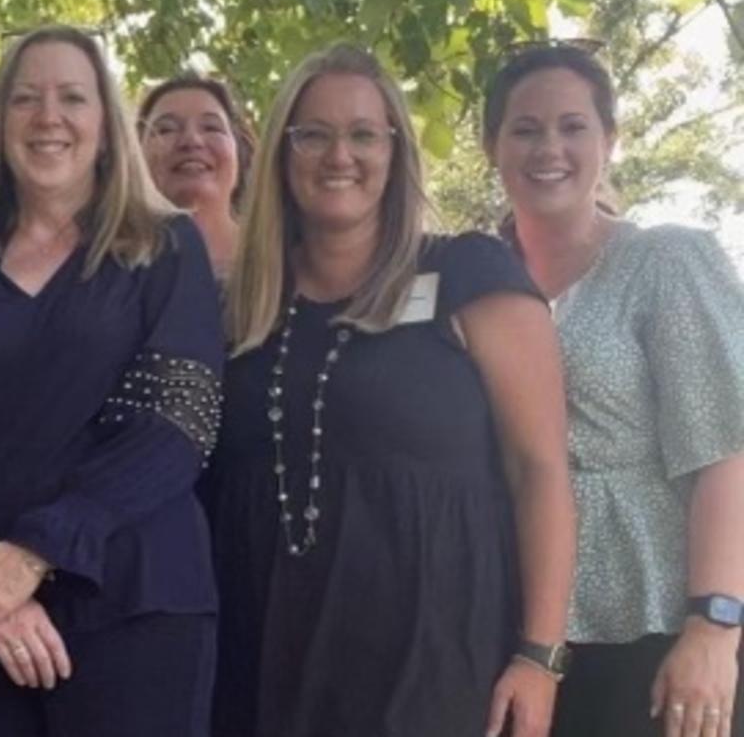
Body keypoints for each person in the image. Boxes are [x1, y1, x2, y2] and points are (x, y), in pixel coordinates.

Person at [208, 43, 576, 737]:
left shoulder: (468, 273)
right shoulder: (242, 309)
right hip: (264, 659)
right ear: (283, 153)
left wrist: (539, 656)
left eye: (362, 134)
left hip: (431, 663)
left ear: (395, 150)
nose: (337, 155)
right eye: (312, 133)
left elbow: (542, 471)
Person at [0, 25, 224, 737]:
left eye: (73, 97)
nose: (49, 117)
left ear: (105, 121)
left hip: (134, 602)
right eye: (26, 98)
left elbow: (176, 425)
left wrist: (33, 554)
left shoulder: (165, 245)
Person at [484, 43, 744, 737]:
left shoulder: (666, 260)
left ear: (609, 140)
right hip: (519, 626)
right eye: (526, 128)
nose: (550, 147)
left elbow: (726, 449)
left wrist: (715, 626)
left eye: (573, 126)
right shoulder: (476, 282)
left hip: (655, 626)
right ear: (492, 146)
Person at [137, 73, 255, 280]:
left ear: (239, 152)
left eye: (211, 127)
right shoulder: (109, 268)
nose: (191, 140)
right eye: (166, 130)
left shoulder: (283, 262)